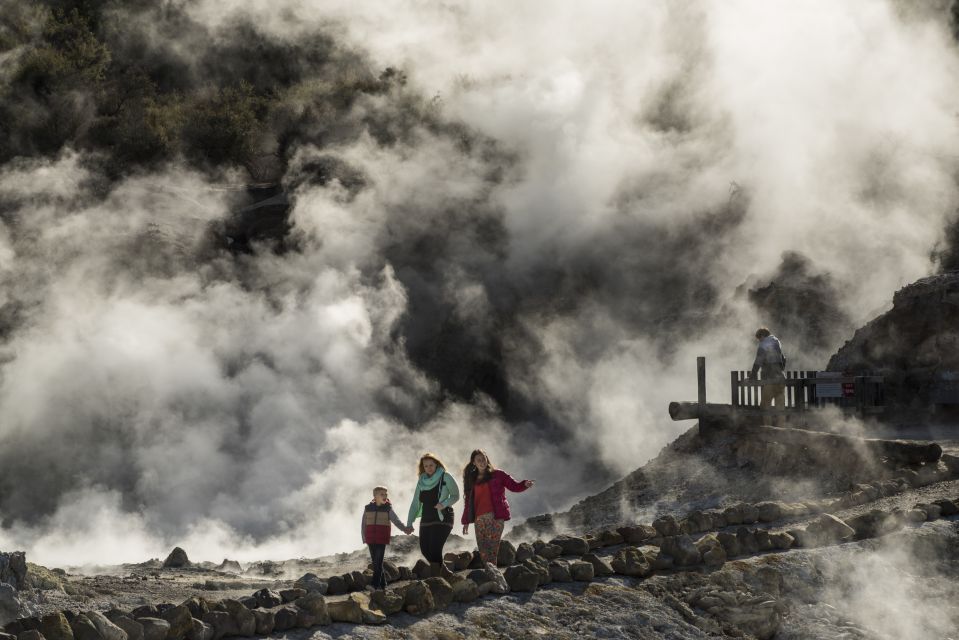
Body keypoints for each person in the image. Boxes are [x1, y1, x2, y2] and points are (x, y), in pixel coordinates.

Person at [461, 449, 534, 566]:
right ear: (473, 463)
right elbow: (468, 502)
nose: (482, 462)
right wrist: (466, 521)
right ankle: (491, 576)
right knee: (483, 551)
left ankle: (494, 577)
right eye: (478, 460)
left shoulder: (498, 474)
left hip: (496, 517)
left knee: (492, 549)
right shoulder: (471, 479)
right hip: (479, 519)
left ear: (487, 459)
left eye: (483, 459)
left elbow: (514, 486)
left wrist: (524, 484)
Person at [406, 452, 460, 577]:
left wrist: (444, 503)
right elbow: (415, 503)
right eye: (426, 466)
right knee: (425, 550)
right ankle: (446, 573)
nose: (429, 468)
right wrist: (409, 523)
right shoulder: (421, 481)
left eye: (431, 465)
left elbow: (456, 495)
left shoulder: (445, 476)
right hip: (426, 518)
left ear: (436, 464)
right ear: (422, 468)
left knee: (435, 549)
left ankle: (436, 581)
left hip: (443, 517)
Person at [361, 485, 413, 590]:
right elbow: (363, 524)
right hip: (370, 539)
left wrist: (405, 529)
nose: (385, 496)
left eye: (386, 494)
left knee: (378, 563)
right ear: (375, 496)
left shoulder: (388, 509)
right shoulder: (367, 508)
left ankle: (374, 585)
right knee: (376, 563)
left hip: (381, 540)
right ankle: (384, 585)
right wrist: (364, 538)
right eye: (382, 494)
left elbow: (396, 521)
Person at [750, 327, 787, 423]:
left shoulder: (764, 344)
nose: (759, 341)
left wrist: (752, 375)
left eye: (759, 339)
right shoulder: (777, 342)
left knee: (765, 405)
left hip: (770, 379)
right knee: (780, 407)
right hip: (780, 378)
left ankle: (768, 429)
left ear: (762, 336)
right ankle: (782, 428)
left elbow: (758, 361)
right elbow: (783, 359)